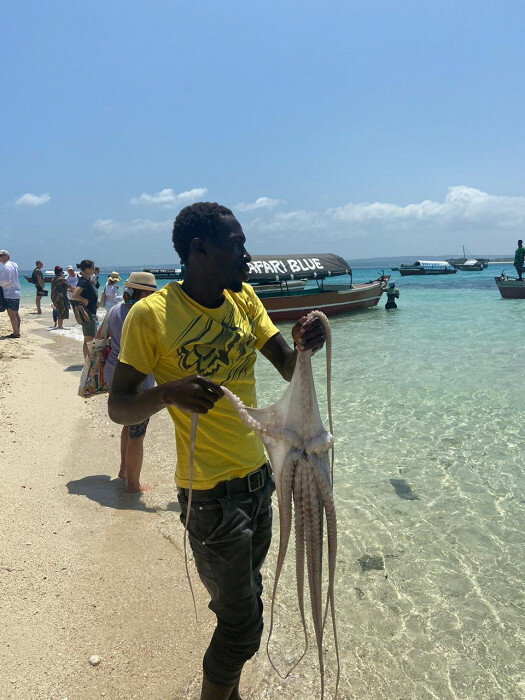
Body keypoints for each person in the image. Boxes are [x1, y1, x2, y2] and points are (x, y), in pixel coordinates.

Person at [108, 202, 325, 699]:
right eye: (237, 245)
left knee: (245, 602)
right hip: (209, 498)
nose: (247, 256)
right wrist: (167, 393)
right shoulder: (151, 316)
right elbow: (119, 408)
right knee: (242, 625)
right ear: (199, 250)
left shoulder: (244, 299)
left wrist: (306, 343)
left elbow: (289, 368)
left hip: (260, 481)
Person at [96, 272, 157, 493]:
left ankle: (123, 470)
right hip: (137, 379)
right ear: (143, 292)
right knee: (138, 433)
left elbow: (100, 338)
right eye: (151, 292)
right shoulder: (147, 314)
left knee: (128, 424)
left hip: (115, 374)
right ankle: (133, 484)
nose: (154, 296)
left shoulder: (115, 310)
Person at [72, 260, 98, 357]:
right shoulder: (83, 281)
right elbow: (75, 295)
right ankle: (89, 363)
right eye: (93, 268)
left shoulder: (87, 281)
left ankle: (88, 362)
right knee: (90, 340)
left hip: (90, 313)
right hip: (87, 314)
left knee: (88, 339)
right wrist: (84, 300)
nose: (94, 269)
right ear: (87, 269)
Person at [0, 249, 21, 338]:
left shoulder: (7, 266)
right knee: (15, 313)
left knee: (12, 314)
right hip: (15, 292)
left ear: (6, 256)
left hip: (10, 293)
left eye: (1, 255)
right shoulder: (13, 265)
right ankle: (17, 331)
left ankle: (16, 333)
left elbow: (7, 280)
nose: (0, 257)